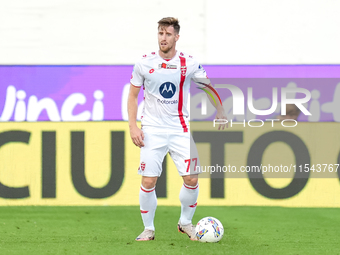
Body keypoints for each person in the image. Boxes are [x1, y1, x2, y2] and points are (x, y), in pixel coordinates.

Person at [128, 17, 227, 241]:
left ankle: (185, 223)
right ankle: (148, 229)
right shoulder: (144, 63)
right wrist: (133, 126)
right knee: (148, 181)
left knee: (192, 178)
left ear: (176, 37)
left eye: (168, 34)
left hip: (180, 129)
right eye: (160, 33)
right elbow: (132, 96)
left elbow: (208, 87)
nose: (163, 38)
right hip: (152, 130)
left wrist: (220, 110)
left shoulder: (189, 63)